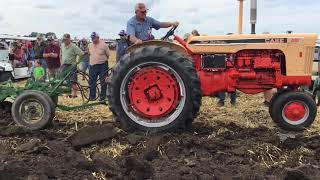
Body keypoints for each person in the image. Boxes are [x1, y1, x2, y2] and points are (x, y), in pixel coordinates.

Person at [88, 32, 110, 101]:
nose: (93, 40)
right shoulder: (89, 45)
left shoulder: (104, 45)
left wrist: (101, 59)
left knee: (103, 81)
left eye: (94, 38)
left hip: (102, 65)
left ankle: (102, 97)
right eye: (92, 38)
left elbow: (108, 55)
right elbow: (89, 54)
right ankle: (92, 96)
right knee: (92, 81)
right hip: (92, 65)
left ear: (98, 37)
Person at [60, 33, 84, 98]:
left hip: (71, 65)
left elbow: (81, 53)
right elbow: (61, 54)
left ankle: (74, 93)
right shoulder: (62, 45)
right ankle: (67, 92)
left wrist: (77, 62)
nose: (64, 41)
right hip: (64, 65)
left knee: (73, 80)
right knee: (65, 80)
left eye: (65, 39)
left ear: (69, 39)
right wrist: (61, 61)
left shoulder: (73, 46)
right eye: (63, 39)